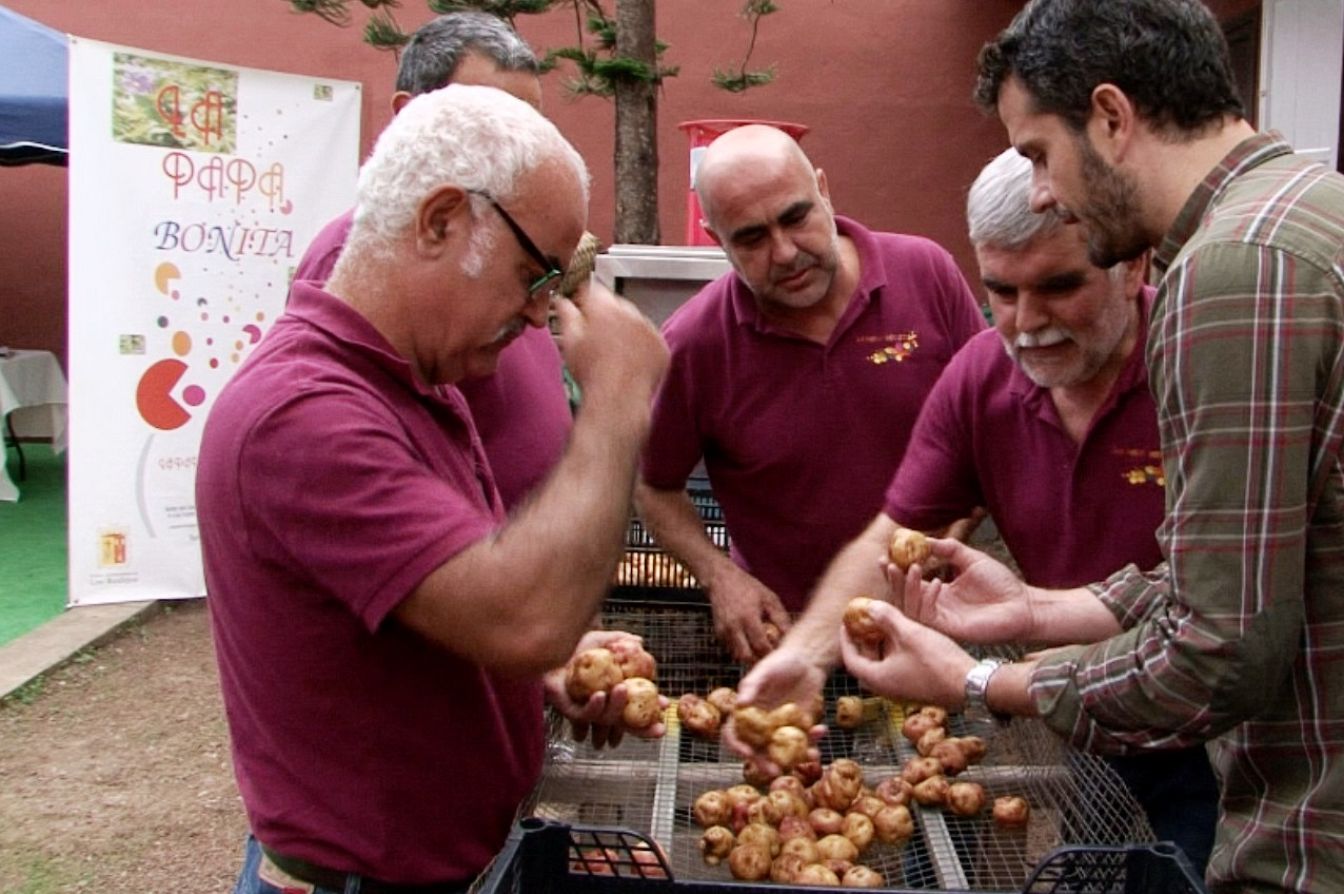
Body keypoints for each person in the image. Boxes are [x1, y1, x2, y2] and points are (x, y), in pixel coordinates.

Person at [841, 1, 1344, 891]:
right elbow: (1265, 565)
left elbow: (1215, 655)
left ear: (1111, 118)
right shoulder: (1331, 217)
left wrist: (976, 683)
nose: (1040, 191)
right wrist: (1040, 613)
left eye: (1038, 152)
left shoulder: (1235, 271)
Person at [198, 85, 669, 893]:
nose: (537, 313)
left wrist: (548, 670)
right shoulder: (300, 418)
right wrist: (618, 403)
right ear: (440, 220)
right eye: (533, 274)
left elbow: (454, 603)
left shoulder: (421, 384)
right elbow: (523, 619)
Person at [738, 148, 1219, 870]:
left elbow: (1224, 609)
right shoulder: (982, 376)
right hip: (1078, 709)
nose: (1028, 323)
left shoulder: (1202, 371)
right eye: (1001, 290)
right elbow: (897, 534)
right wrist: (808, 658)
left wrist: (1003, 651)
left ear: (1133, 264)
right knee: (1099, 865)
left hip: (1225, 743)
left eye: (1060, 286)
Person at [634, 124, 987, 663]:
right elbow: (652, 486)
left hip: (930, 618)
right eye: (750, 238)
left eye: (796, 218)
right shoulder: (695, 343)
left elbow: (994, 429)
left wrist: (950, 540)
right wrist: (720, 578)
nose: (784, 252)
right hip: (786, 634)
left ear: (824, 189)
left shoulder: (926, 274)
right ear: (714, 237)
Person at [296, 11, 572, 506]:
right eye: (490, 126)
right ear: (408, 117)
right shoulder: (355, 261)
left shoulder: (503, 247)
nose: (520, 152)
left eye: (531, 128)